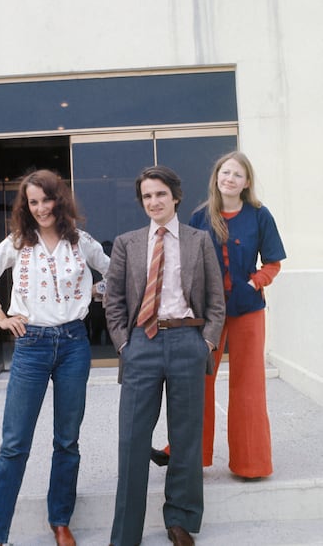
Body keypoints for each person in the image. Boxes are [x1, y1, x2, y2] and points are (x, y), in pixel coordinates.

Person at [0, 169, 110, 546]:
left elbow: (115, 274)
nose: (40, 208)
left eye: (46, 199)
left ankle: (60, 521)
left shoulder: (82, 242)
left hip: (73, 345)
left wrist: (91, 293)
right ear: (26, 206)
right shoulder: (17, 242)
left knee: (67, 440)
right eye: (32, 202)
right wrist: (1, 317)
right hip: (30, 347)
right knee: (14, 445)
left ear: (59, 199)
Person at [105, 165, 225, 546]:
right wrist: (125, 343)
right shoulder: (127, 242)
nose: (153, 202)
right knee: (133, 440)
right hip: (142, 343)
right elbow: (114, 301)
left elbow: (216, 301)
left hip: (187, 341)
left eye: (160, 194)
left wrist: (205, 342)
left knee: (187, 437)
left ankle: (180, 520)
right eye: (146, 196)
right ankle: (126, 533)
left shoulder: (199, 240)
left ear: (175, 196)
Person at [151, 151, 286, 480]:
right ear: (216, 177)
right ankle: (188, 454)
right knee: (198, 381)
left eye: (238, 175)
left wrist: (256, 283)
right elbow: (184, 263)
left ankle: (251, 464)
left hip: (248, 311)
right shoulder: (199, 216)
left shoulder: (260, 215)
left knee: (248, 385)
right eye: (225, 172)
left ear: (246, 182)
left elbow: (273, 262)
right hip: (206, 313)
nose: (230, 178)